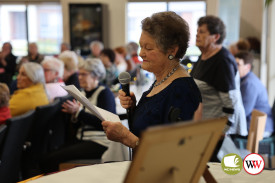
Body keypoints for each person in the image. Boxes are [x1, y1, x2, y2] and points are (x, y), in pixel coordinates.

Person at [101, 11, 202, 149]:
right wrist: (134, 108)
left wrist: (126, 138)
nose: (141, 53)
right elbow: (152, 124)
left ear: (172, 51)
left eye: (148, 48)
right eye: (141, 46)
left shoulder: (182, 91)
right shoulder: (162, 79)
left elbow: (175, 151)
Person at [42, 58, 116, 173]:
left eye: (84, 74)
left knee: (50, 159)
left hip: (100, 142)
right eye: (79, 74)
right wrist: (73, 114)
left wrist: (78, 112)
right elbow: (79, 121)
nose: (79, 77)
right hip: (83, 138)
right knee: (48, 154)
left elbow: (105, 123)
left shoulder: (104, 93)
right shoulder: (83, 92)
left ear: (95, 76)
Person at [190, 15, 247, 137]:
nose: (197, 35)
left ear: (215, 37)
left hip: (220, 131)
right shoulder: (203, 56)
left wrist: (222, 132)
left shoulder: (222, 61)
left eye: (202, 32)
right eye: (197, 31)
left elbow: (231, 102)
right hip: (204, 125)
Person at [235, 51, 274, 137]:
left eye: (238, 64)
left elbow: (244, 111)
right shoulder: (245, 80)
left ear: (248, 67)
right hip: (254, 123)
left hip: (260, 127)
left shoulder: (249, 83)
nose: (234, 67)